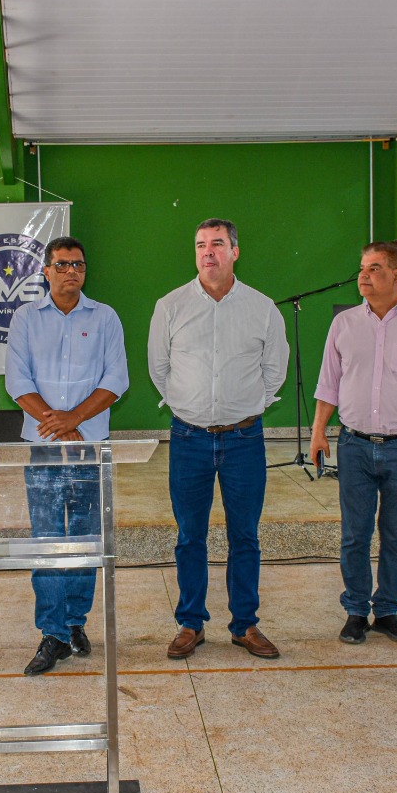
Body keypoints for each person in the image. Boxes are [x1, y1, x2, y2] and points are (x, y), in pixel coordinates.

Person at [148, 219, 289, 660]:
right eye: (200, 245)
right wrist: (188, 405)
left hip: (244, 439)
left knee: (244, 535)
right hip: (188, 438)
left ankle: (245, 625)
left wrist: (246, 407)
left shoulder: (262, 308)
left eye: (217, 244)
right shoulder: (170, 306)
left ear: (235, 251)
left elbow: (274, 371)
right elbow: (159, 369)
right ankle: (191, 624)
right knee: (190, 535)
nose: (207, 252)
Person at [310, 242, 397, 645]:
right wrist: (318, 431)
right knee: (355, 534)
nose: (363, 276)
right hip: (354, 446)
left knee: (395, 534)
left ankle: (387, 610)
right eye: (362, 268)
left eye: (374, 268)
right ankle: (355, 611)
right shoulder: (344, 324)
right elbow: (328, 383)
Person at [4, 237, 129, 676]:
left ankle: (76, 622)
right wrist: (59, 424)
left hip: (90, 446)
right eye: (61, 264)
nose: (70, 271)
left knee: (84, 536)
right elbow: (17, 381)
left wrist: (75, 419)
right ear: (46, 271)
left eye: (78, 264)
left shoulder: (105, 317)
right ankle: (52, 632)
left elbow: (116, 379)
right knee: (47, 540)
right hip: (42, 446)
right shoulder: (25, 318)